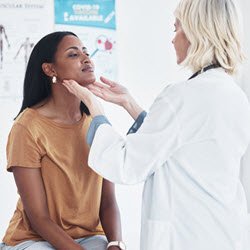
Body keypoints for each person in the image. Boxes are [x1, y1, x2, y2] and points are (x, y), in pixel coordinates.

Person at [61, 0, 250, 249]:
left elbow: (126, 165)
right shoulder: (232, 93)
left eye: (176, 28)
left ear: (196, 31)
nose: (173, 40)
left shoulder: (183, 96)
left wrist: (95, 110)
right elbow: (180, 144)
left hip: (186, 237)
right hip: (225, 232)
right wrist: (129, 103)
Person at [0, 31, 125, 250]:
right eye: (73, 54)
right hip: (34, 239)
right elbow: (38, 217)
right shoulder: (27, 127)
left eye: (85, 52)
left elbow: (107, 201)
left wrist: (115, 244)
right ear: (50, 69)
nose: (86, 58)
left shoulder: (97, 124)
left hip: (89, 237)